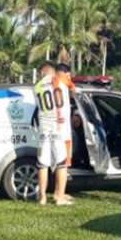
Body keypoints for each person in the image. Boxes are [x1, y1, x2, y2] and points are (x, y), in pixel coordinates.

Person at [33, 61, 75, 205]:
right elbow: (71, 88)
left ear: (43, 72)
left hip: (43, 130)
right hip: (59, 128)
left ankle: (42, 197)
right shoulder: (61, 81)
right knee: (61, 164)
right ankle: (59, 197)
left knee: (42, 165)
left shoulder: (36, 87)